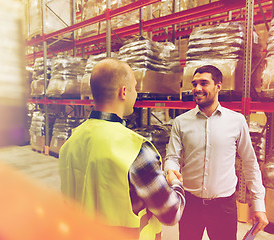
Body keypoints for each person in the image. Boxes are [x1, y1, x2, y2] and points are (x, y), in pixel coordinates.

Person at [59, 58, 185, 240]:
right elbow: (171, 213)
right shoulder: (136, 150)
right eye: (135, 87)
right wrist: (175, 183)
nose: (136, 94)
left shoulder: (70, 142)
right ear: (123, 92)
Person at [164, 65, 269, 240]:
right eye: (194, 84)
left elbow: (250, 163)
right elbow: (172, 157)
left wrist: (258, 205)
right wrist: (170, 170)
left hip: (224, 206)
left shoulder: (236, 121)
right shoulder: (181, 122)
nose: (197, 89)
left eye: (204, 83)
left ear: (218, 86)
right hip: (190, 204)